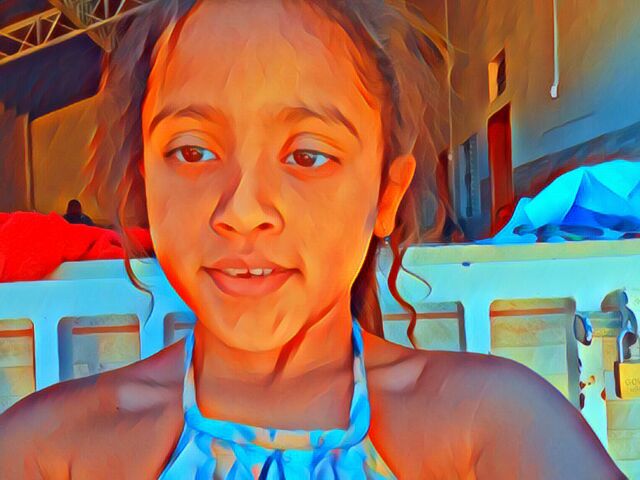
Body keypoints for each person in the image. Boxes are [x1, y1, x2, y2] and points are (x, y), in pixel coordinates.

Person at [0, 0, 625, 478]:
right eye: (192, 151)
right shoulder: (49, 452)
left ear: (385, 195)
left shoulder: (492, 427)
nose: (242, 211)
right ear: (146, 181)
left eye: (307, 156)